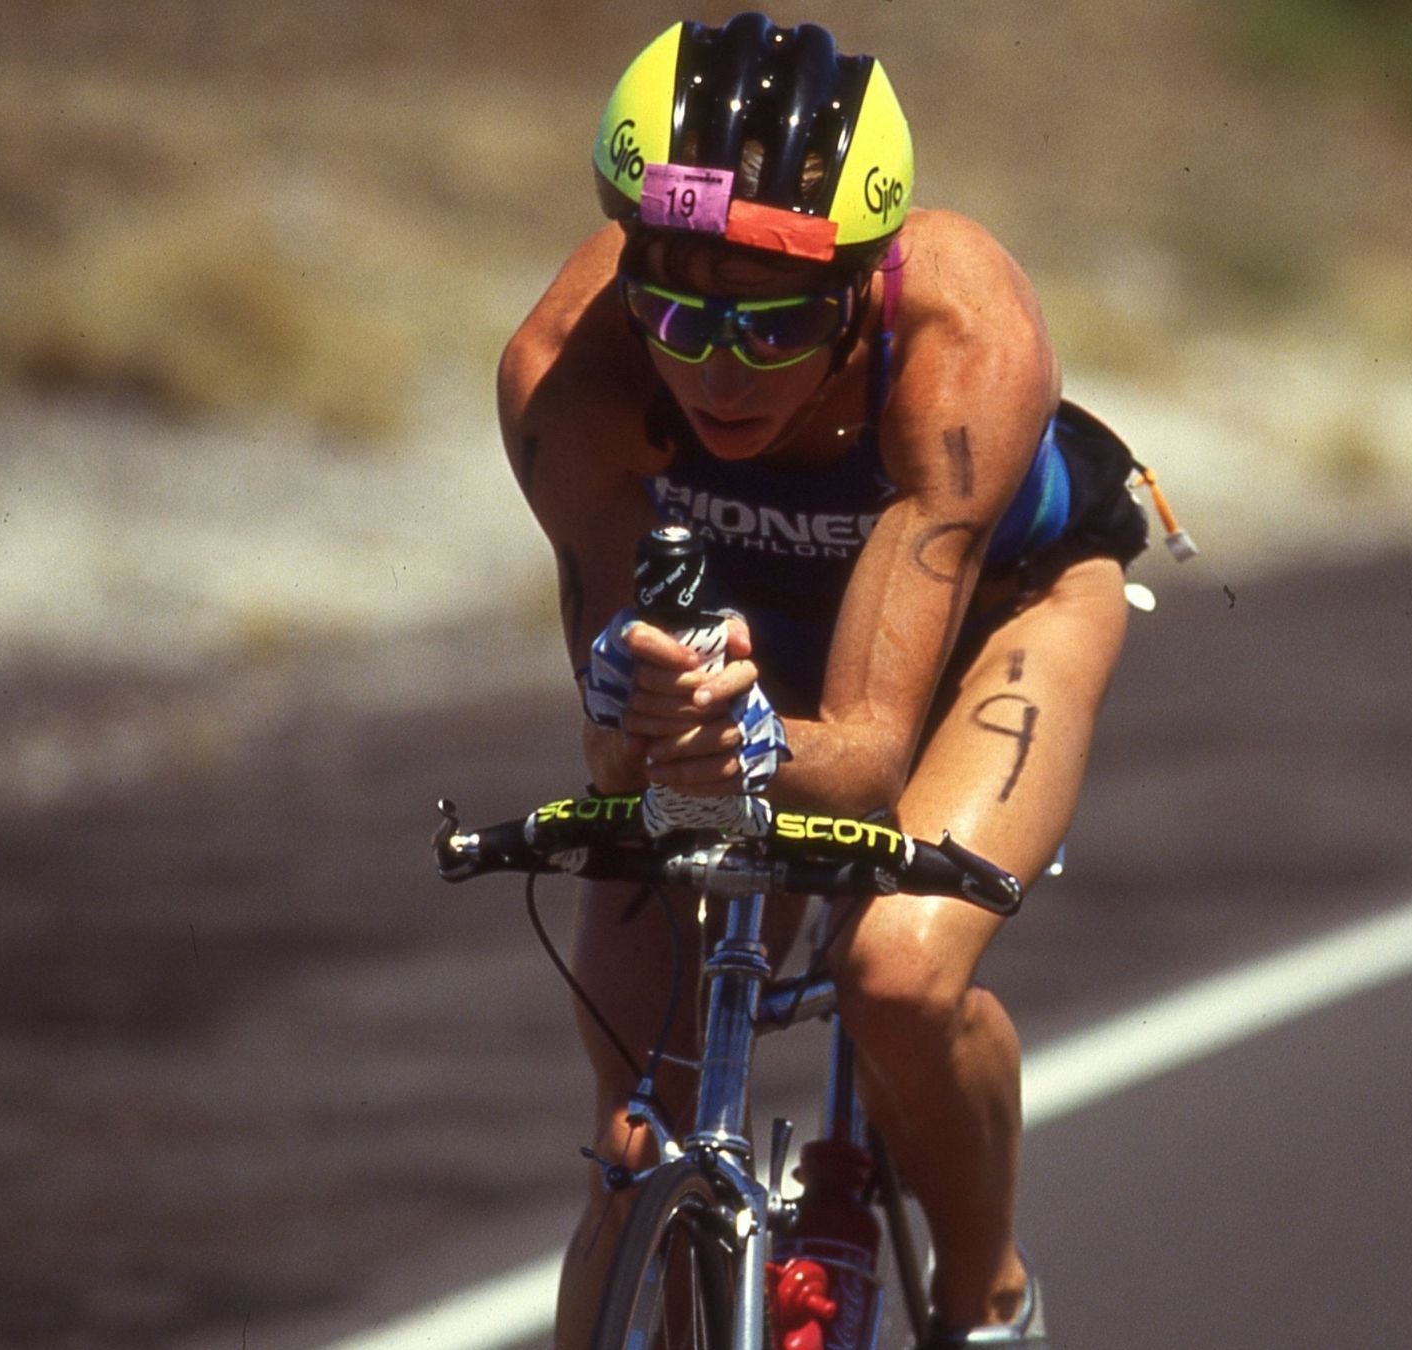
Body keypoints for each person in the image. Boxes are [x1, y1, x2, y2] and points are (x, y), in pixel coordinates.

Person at [497, 14, 1156, 1344]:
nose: (717, 368)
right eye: (680, 313)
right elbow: (614, 748)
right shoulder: (566, 374)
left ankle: (987, 1297)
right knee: (638, 1130)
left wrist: (741, 738)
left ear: (858, 286)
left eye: (776, 321)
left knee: (899, 971)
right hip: (754, 622)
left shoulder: (961, 336)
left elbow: (862, 751)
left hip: (995, 611)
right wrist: (648, 715)